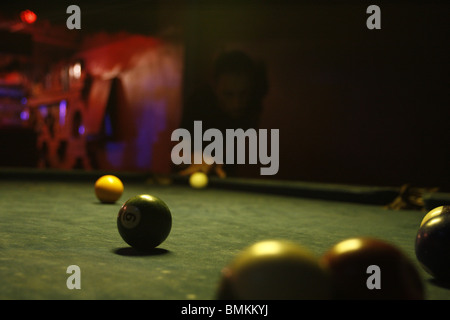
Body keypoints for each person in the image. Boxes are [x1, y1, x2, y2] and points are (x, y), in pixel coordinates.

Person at [178, 50, 268, 178]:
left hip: (227, 177)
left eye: (243, 94)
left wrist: (217, 161)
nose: (236, 103)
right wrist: (197, 158)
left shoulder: (254, 104)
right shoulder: (199, 101)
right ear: (214, 87)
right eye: (228, 94)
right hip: (188, 176)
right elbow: (179, 151)